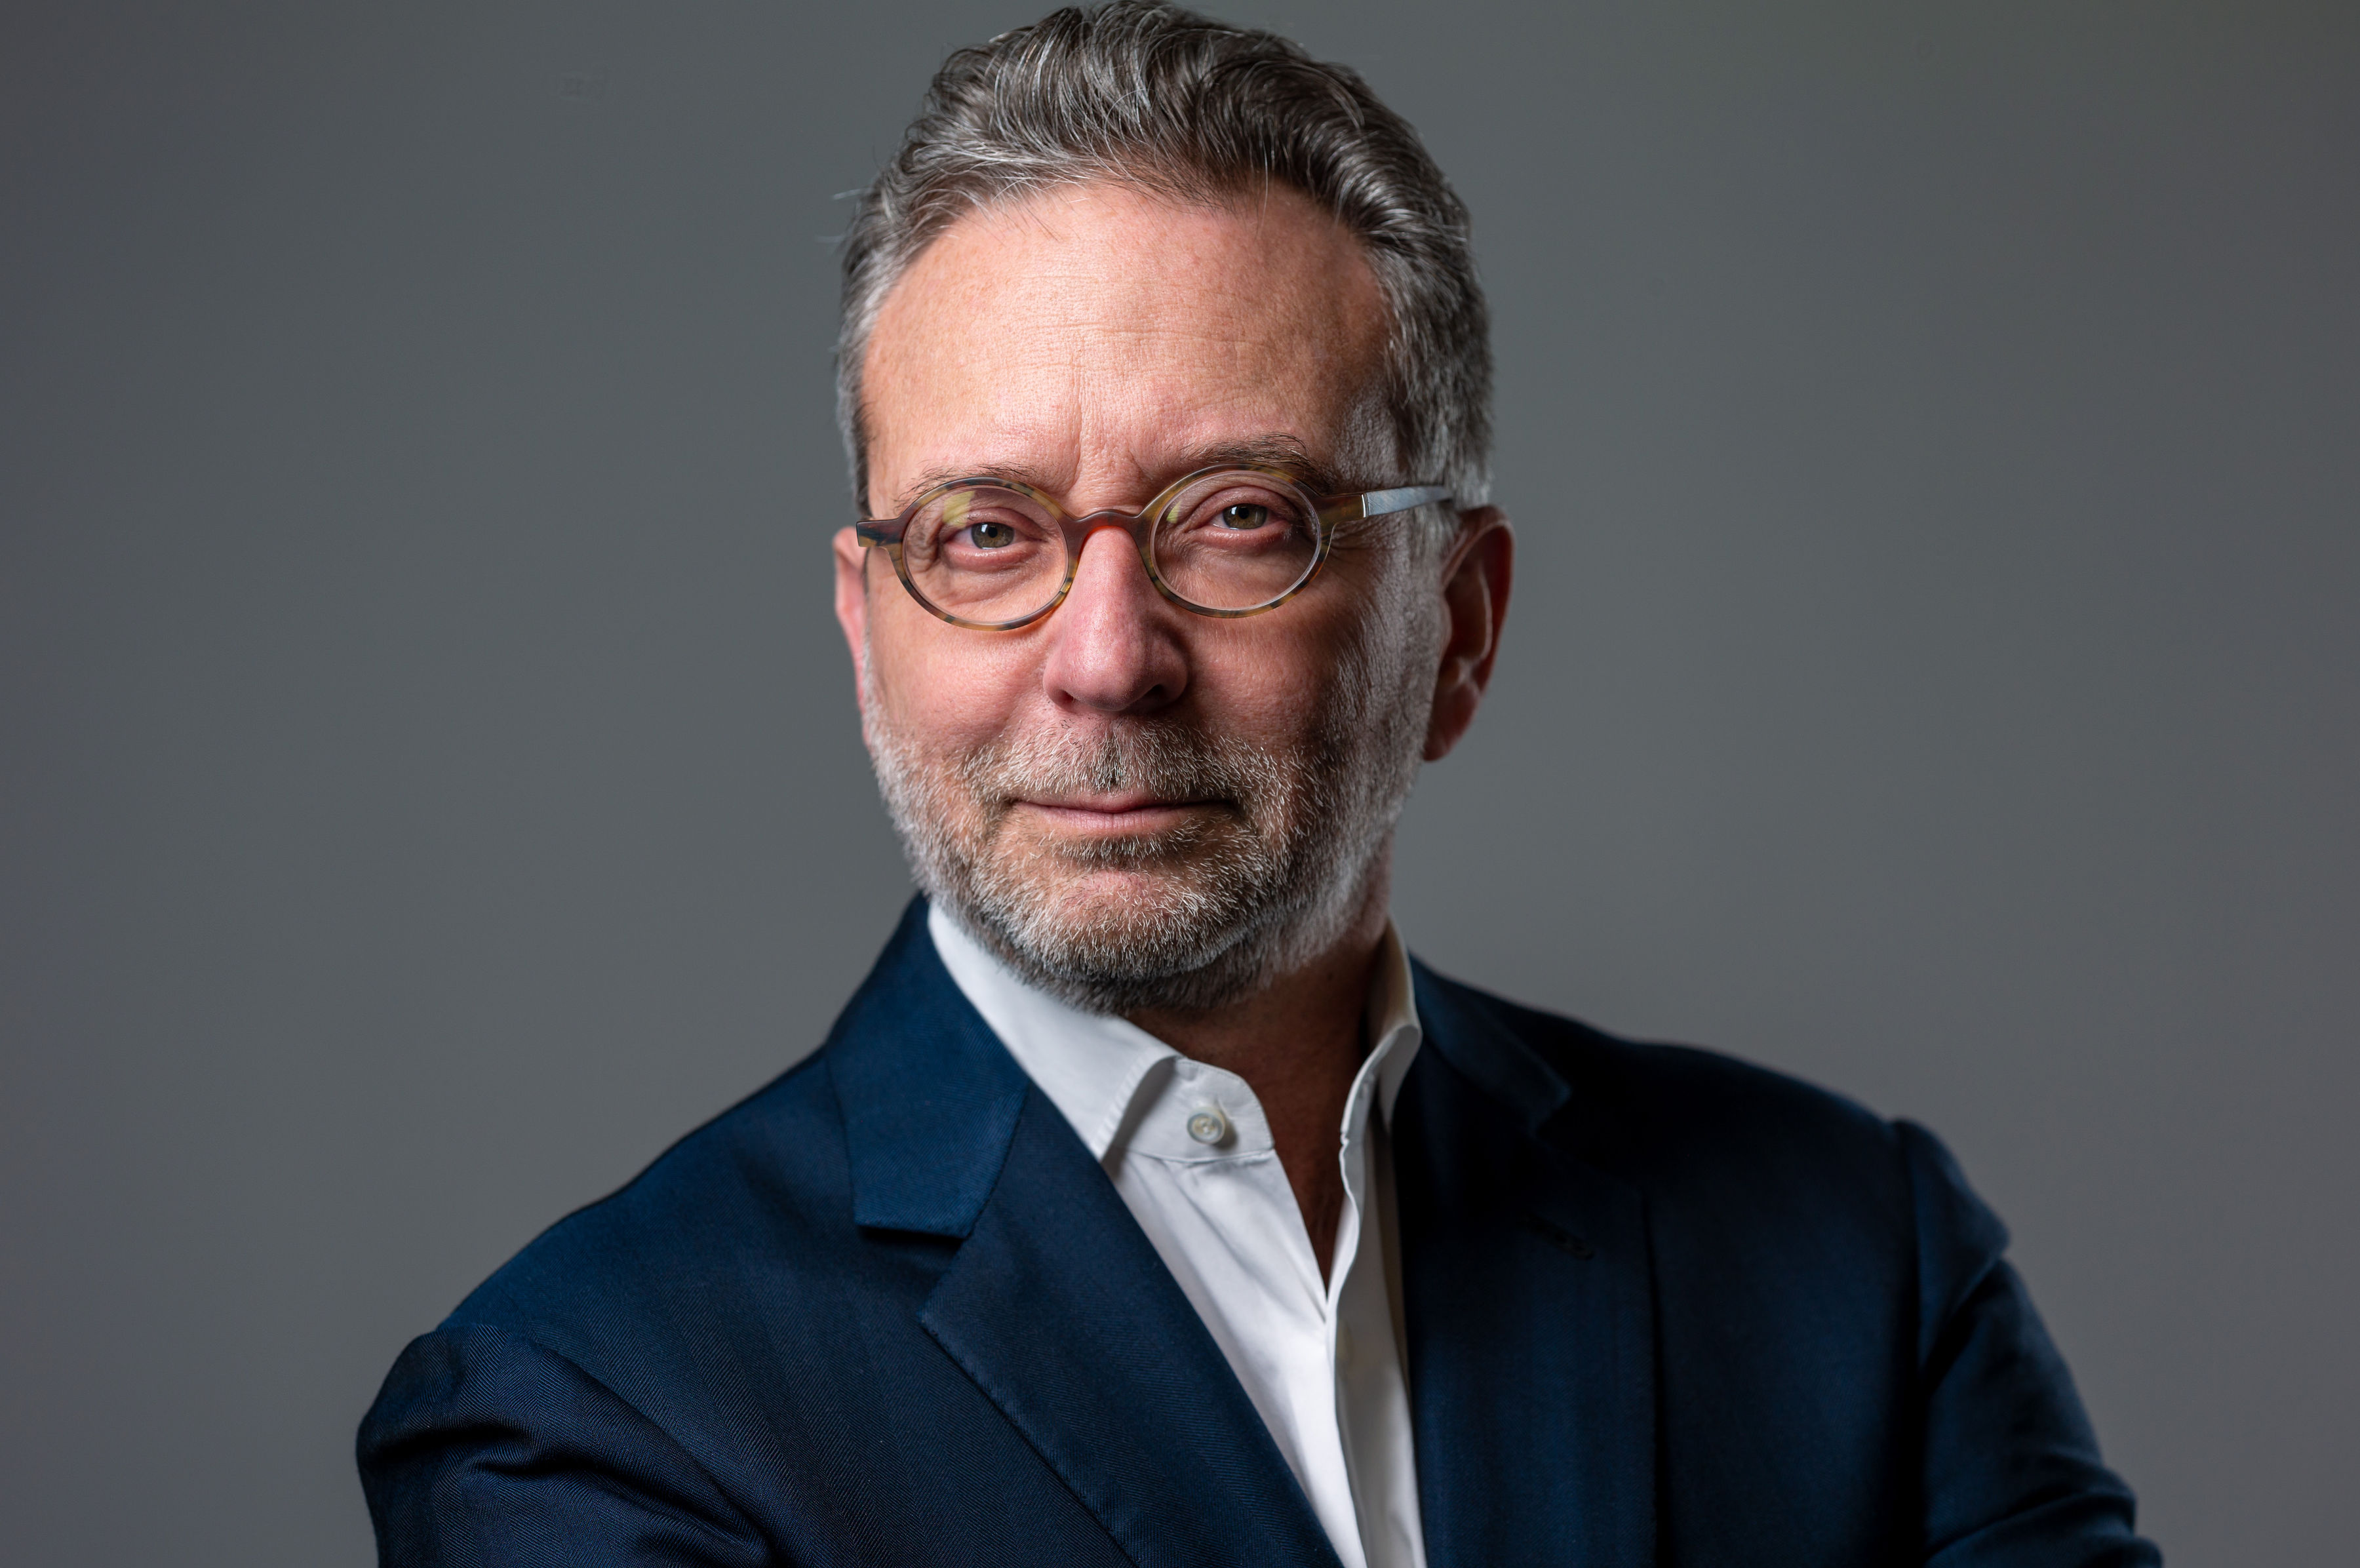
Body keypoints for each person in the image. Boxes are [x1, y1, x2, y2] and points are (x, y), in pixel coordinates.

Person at [357, 6, 2158, 1563]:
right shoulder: (591, 1413)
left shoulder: (1856, 1264)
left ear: (1456, 626)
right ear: (865, 630)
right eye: (987, 535)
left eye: (1239, 519)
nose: (1105, 656)